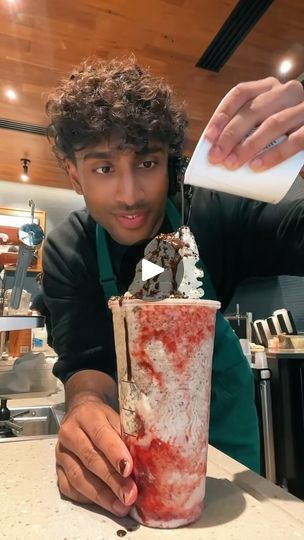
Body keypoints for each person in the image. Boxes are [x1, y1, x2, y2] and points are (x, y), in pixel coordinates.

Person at [42, 56, 304, 517]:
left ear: (172, 162)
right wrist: (83, 406)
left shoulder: (216, 210)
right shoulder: (69, 250)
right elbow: (86, 361)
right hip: (132, 468)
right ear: (72, 172)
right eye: (103, 168)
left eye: (147, 162)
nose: (128, 194)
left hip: (229, 460)